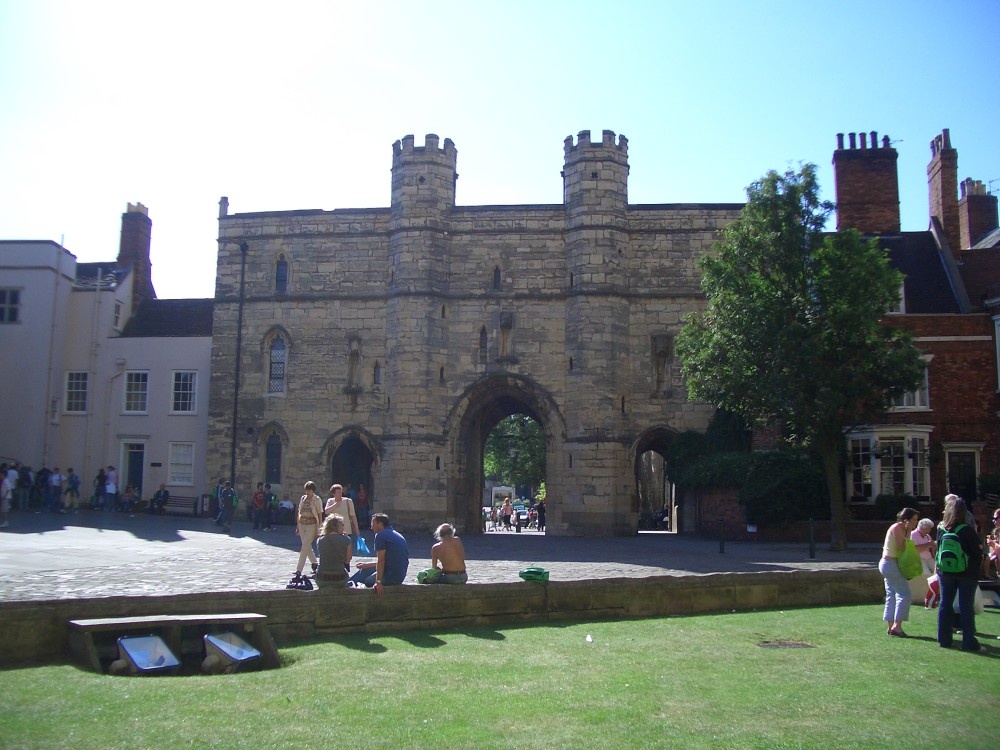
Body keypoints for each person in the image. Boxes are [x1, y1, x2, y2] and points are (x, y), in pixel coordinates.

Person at [936, 496, 984, 652]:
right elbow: (977, 553)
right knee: (966, 606)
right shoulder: (966, 530)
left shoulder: (941, 528)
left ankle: (944, 639)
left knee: (945, 604)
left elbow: (938, 550)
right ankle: (968, 641)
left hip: (945, 572)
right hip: (967, 573)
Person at [879, 506, 918, 638]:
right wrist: (908, 531)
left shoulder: (903, 529)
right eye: (914, 520)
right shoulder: (897, 527)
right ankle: (897, 626)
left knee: (892, 594)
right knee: (904, 594)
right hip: (890, 564)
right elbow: (903, 547)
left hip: (890, 564)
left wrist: (908, 531)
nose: (915, 523)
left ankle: (891, 627)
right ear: (906, 519)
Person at [350, 512, 409, 595]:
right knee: (365, 569)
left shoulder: (380, 535)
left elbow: (381, 561)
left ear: (380, 524)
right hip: (400, 575)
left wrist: (378, 582)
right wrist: (367, 565)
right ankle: (349, 584)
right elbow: (388, 560)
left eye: (373, 524)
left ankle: (348, 588)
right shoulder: (396, 534)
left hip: (392, 577)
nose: (371, 527)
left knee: (367, 581)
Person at [294, 481, 323, 579]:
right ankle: (315, 563)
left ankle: (299, 570)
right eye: (306, 491)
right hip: (302, 524)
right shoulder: (303, 498)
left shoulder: (317, 499)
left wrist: (320, 527)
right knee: (307, 546)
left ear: (312, 490)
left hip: (312, 525)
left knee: (304, 547)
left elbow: (319, 513)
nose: (307, 493)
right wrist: (298, 526)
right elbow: (299, 512)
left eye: (309, 491)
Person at [315, 513, 352, 588]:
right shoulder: (347, 540)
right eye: (342, 525)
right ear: (337, 526)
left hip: (322, 578)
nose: (343, 527)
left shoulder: (320, 540)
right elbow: (347, 560)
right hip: (340, 578)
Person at [1, 463, 14, 528]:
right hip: (4, 497)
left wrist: (4, 496)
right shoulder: (3, 480)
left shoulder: (5, 481)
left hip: (5, 497)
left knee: (4, 510)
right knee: (3, 510)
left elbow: (8, 489)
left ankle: (5, 522)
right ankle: (4, 522)